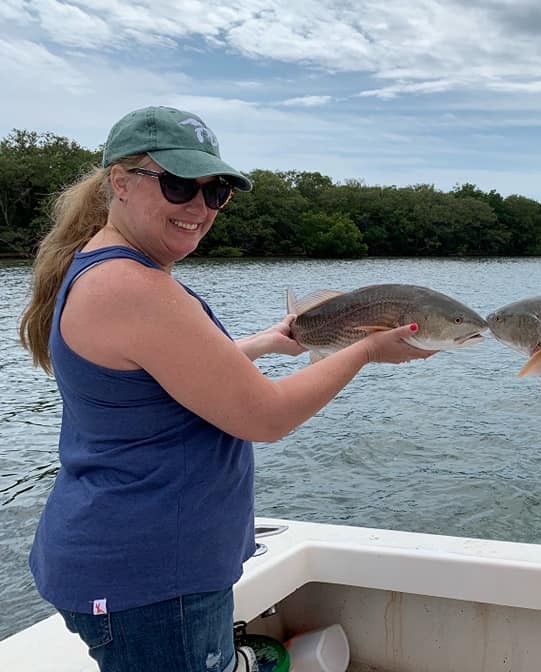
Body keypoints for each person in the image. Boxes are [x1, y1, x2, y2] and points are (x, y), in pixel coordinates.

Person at [18, 106, 434, 672]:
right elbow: (265, 417)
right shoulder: (132, 285)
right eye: (179, 185)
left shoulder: (106, 268)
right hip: (154, 577)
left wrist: (262, 344)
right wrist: (367, 348)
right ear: (119, 181)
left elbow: (164, 381)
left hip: (132, 563)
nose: (198, 207)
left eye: (215, 193)